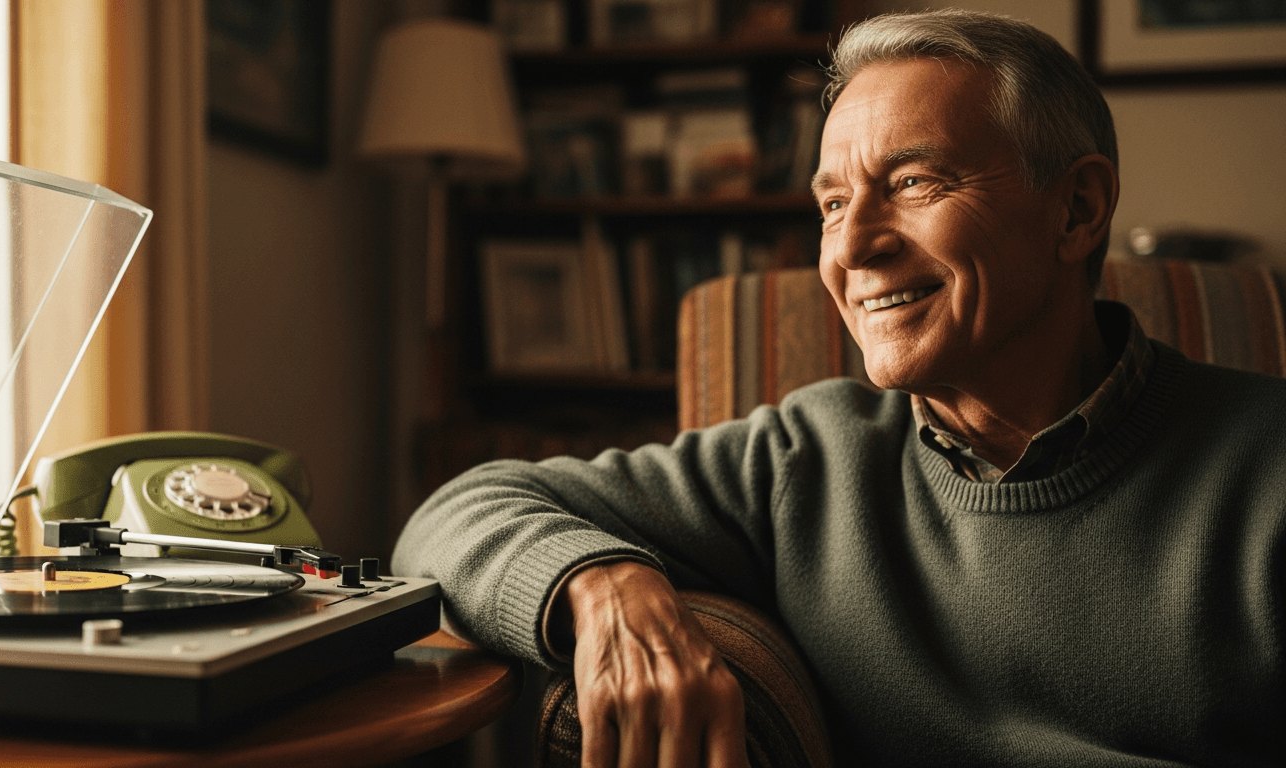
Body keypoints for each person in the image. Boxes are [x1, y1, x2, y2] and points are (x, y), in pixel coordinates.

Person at [393, 9, 1286, 767]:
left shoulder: (1264, 470)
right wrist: (603, 585)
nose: (853, 246)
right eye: (830, 203)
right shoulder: (804, 459)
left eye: (912, 182)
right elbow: (452, 516)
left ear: (1078, 210)